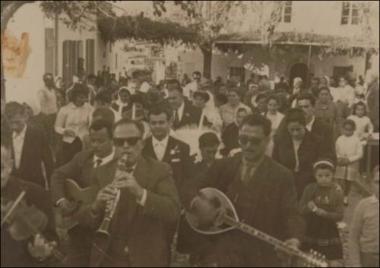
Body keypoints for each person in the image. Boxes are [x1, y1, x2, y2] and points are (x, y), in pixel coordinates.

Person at [184, 114, 304, 266]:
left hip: (260, 255)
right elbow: (188, 188)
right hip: (222, 252)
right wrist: (199, 203)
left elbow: (292, 213)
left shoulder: (282, 175)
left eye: (255, 141)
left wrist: (294, 239)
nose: (247, 145)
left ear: (268, 140)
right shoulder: (223, 166)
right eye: (243, 139)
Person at [78, 119, 180, 266]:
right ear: (114, 144)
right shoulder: (100, 172)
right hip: (109, 257)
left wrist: (141, 193)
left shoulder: (160, 170)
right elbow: (83, 218)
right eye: (120, 142)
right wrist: (96, 206)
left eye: (132, 141)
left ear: (142, 143)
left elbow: (173, 211)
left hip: (146, 257)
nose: (126, 147)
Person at [1, 144, 57, 267]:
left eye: (1, 168)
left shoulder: (35, 193)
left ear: (10, 166)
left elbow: (51, 239)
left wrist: (41, 255)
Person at [273, 108, 333, 198]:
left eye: (298, 129)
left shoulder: (317, 141)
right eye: (292, 130)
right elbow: (275, 163)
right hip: (286, 185)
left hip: (309, 186)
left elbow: (323, 163)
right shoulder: (281, 141)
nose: (295, 133)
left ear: (304, 125)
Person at [299, 159, 344, 266]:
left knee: (331, 261)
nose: (324, 179)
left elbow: (340, 215)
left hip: (328, 230)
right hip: (311, 228)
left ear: (333, 175)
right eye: (320, 176)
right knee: (309, 259)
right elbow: (300, 209)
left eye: (327, 175)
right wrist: (309, 208)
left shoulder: (337, 190)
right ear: (315, 176)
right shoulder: (310, 188)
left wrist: (326, 214)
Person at [143, 105, 193, 200]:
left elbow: (188, 179)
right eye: (153, 123)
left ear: (169, 123)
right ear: (149, 124)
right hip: (149, 202)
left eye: (161, 122)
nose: (157, 126)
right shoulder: (142, 147)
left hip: (175, 200)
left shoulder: (183, 147)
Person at [4, 102, 54, 189]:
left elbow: (49, 162)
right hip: (13, 187)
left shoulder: (38, 134)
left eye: (17, 121)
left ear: (25, 116)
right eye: (10, 122)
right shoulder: (5, 136)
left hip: (35, 185)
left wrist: (52, 189)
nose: (13, 126)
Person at [55, 84, 93, 167]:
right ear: (74, 97)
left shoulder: (89, 108)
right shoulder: (65, 109)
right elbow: (57, 127)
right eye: (80, 97)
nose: (82, 100)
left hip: (84, 141)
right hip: (68, 142)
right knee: (68, 164)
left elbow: (91, 124)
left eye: (84, 97)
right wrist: (65, 131)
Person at [348, 165, 379, 267]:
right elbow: (353, 237)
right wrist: (356, 264)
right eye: (378, 182)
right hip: (367, 257)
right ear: (371, 184)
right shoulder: (363, 205)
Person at [335, 119, 363, 205]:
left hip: (352, 164)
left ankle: (345, 197)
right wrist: (339, 158)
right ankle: (338, 196)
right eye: (345, 129)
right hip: (341, 162)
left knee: (348, 181)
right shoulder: (339, 139)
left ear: (353, 130)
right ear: (342, 129)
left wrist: (349, 159)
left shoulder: (356, 140)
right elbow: (335, 150)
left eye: (350, 130)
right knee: (339, 180)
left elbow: (360, 154)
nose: (347, 131)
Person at [37, 73, 59, 150]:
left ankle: (53, 149)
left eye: (51, 80)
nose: (49, 82)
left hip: (54, 114)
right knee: (48, 133)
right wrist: (46, 115)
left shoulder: (53, 90)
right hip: (47, 115)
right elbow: (41, 103)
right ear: (45, 81)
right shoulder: (42, 91)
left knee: (54, 133)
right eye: (47, 80)